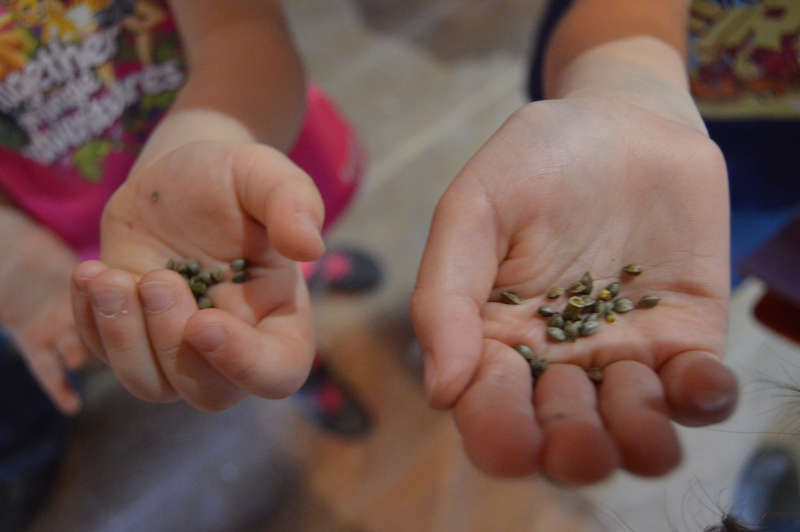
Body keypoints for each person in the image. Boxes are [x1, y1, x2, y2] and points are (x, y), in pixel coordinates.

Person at [0, 0, 377, 526]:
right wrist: (9, 240)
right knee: (230, 327)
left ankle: (313, 279)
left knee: (278, 247)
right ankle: (303, 371)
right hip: (87, 224)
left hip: (235, 136)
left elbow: (242, 30)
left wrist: (208, 140)